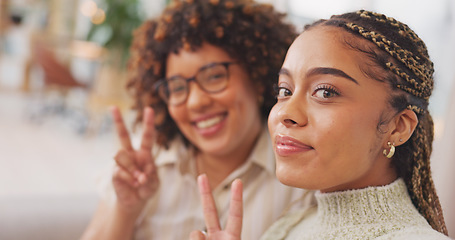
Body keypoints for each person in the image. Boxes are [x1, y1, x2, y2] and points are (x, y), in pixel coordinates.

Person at [190, 10, 452, 239]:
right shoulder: (288, 229)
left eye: (325, 92)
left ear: (398, 127)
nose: (285, 113)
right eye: (284, 90)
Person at [80, 0, 310, 239]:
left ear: (257, 74)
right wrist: (126, 210)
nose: (195, 102)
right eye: (177, 88)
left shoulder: (301, 176)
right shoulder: (146, 160)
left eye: (214, 77)